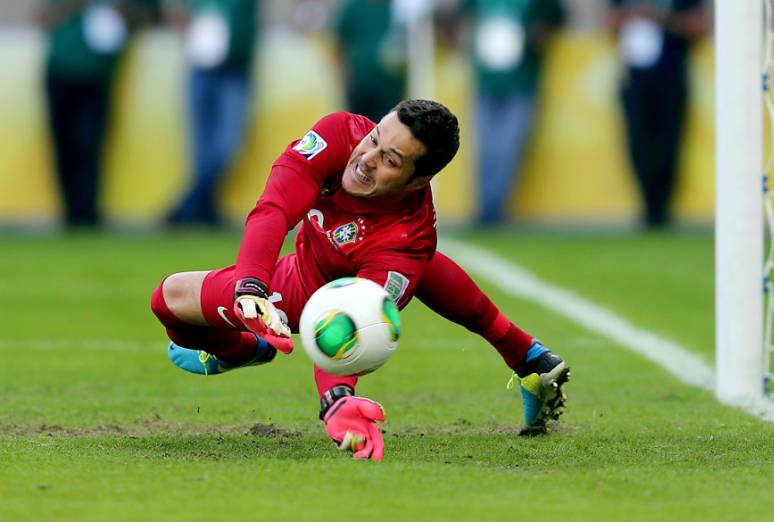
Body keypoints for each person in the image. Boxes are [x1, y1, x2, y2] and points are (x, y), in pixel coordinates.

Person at [150, 100, 570, 461]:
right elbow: (275, 207)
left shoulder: (405, 243)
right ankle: (247, 349)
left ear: (419, 181)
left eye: (390, 160)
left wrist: (336, 399)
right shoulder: (339, 132)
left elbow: (352, 323)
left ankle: (527, 357)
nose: (366, 158)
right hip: (295, 273)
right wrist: (252, 289)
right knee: (167, 299)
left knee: (418, 265)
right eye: (375, 138)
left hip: (320, 294)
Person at [40, 0, 159, 227]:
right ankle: (70, 213)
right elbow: (44, 17)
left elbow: (150, 16)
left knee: (88, 144)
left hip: (97, 76)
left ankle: (87, 213)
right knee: (63, 146)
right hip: (60, 70)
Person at [458, 0, 565, 226]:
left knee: (508, 148)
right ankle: (486, 208)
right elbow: (460, 16)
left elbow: (556, 18)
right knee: (484, 148)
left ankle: (494, 209)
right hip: (486, 81)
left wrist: (538, 35)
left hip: (522, 82)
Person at [608, 0, 709, 228]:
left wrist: (660, 17)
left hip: (672, 78)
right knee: (637, 143)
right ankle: (648, 208)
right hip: (635, 80)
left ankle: (662, 211)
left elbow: (699, 27)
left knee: (669, 145)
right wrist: (633, 16)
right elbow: (608, 24)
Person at [167, 0, 258, 226]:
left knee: (224, 148)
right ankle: (205, 209)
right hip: (202, 68)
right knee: (202, 149)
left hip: (234, 70)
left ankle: (185, 208)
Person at [333, 0, 406, 121]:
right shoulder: (355, 7)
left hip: (392, 89)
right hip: (360, 87)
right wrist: (343, 79)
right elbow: (339, 45)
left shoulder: (402, 7)